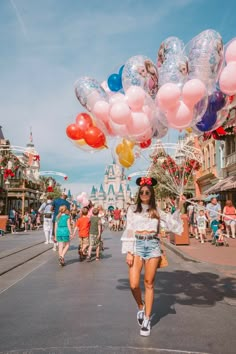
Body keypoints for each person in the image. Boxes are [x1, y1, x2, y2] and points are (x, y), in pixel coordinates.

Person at [121, 177, 184, 337]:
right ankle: (141, 307)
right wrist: (128, 250)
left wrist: (180, 205)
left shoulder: (157, 210)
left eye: (147, 192)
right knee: (134, 284)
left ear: (151, 193)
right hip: (137, 245)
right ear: (139, 193)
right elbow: (129, 229)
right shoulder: (132, 209)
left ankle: (147, 319)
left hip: (153, 246)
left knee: (149, 283)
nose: (144, 194)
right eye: (141, 192)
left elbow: (172, 224)